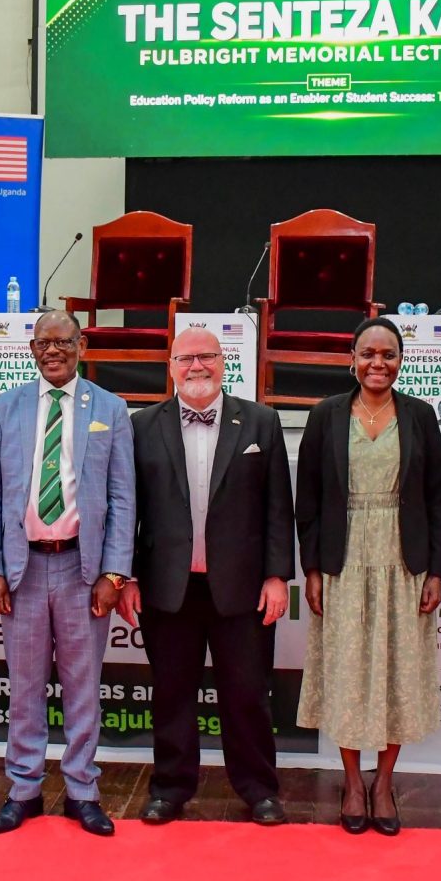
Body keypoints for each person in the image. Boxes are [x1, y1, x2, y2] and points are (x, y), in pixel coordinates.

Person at [122, 326, 293, 827]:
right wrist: (128, 577)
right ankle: (170, 788)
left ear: (224, 362)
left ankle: (259, 789)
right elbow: (127, 507)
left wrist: (277, 576)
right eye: (185, 359)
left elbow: (277, 506)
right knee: (172, 694)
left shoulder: (260, 422)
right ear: (170, 367)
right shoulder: (142, 425)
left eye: (207, 357)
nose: (197, 367)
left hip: (241, 589)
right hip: (167, 588)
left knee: (246, 695)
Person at [0, 310, 136, 837]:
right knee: (24, 687)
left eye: (63, 341)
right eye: (43, 343)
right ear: (32, 349)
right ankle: (23, 790)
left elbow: (121, 498)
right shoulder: (4, 409)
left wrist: (114, 572)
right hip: (21, 569)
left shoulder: (110, 409)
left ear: (81, 344)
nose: (53, 351)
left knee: (82, 684)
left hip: (81, 569)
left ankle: (81, 789)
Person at [296, 318, 441, 835]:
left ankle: (383, 782)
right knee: (346, 671)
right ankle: (352, 781)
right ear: (353, 358)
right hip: (343, 560)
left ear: (401, 360)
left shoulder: (420, 415)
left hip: (403, 560)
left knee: (395, 671)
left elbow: (438, 499)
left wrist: (436, 570)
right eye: (368, 353)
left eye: (388, 354)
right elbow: (309, 501)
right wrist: (312, 568)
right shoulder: (325, 415)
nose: (377, 363)